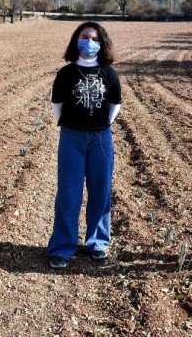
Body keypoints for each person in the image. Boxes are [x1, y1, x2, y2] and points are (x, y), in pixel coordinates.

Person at [47, 21, 122, 269]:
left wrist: (101, 124)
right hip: (71, 138)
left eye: (94, 38)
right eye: (84, 36)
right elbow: (57, 105)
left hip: (101, 138)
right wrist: (72, 126)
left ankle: (97, 243)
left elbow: (115, 104)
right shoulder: (66, 73)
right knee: (69, 193)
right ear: (76, 40)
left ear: (101, 43)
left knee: (101, 192)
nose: (89, 42)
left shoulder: (109, 73)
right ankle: (62, 247)